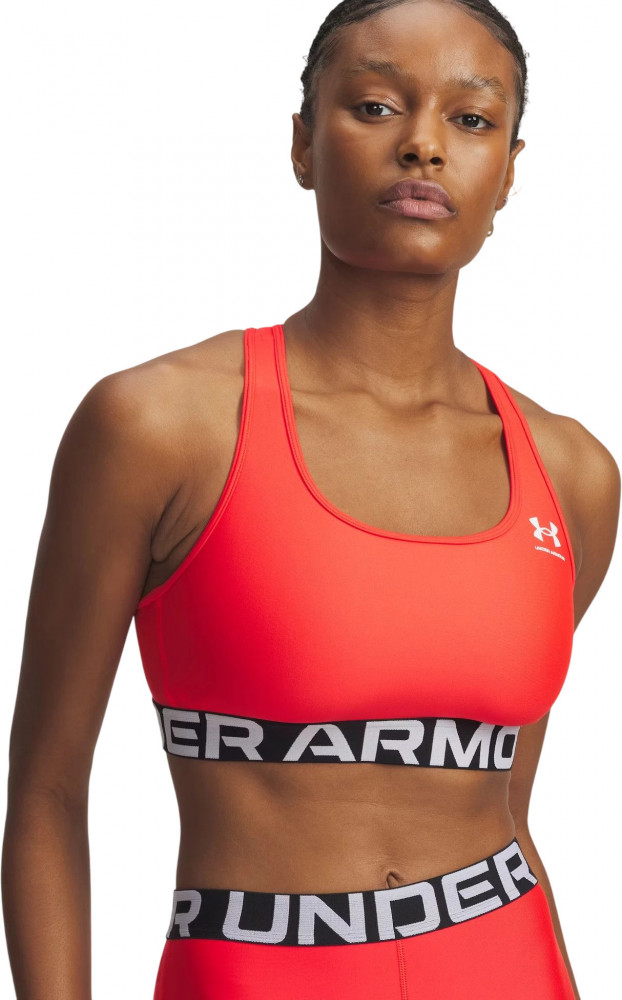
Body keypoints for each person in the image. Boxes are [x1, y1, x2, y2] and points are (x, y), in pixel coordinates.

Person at [2, 1, 619, 998]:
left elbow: (506, 808)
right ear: (301, 143)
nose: (423, 144)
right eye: (375, 105)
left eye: (470, 120)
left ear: (508, 172)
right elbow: (45, 791)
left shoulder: (574, 474)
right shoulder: (158, 426)